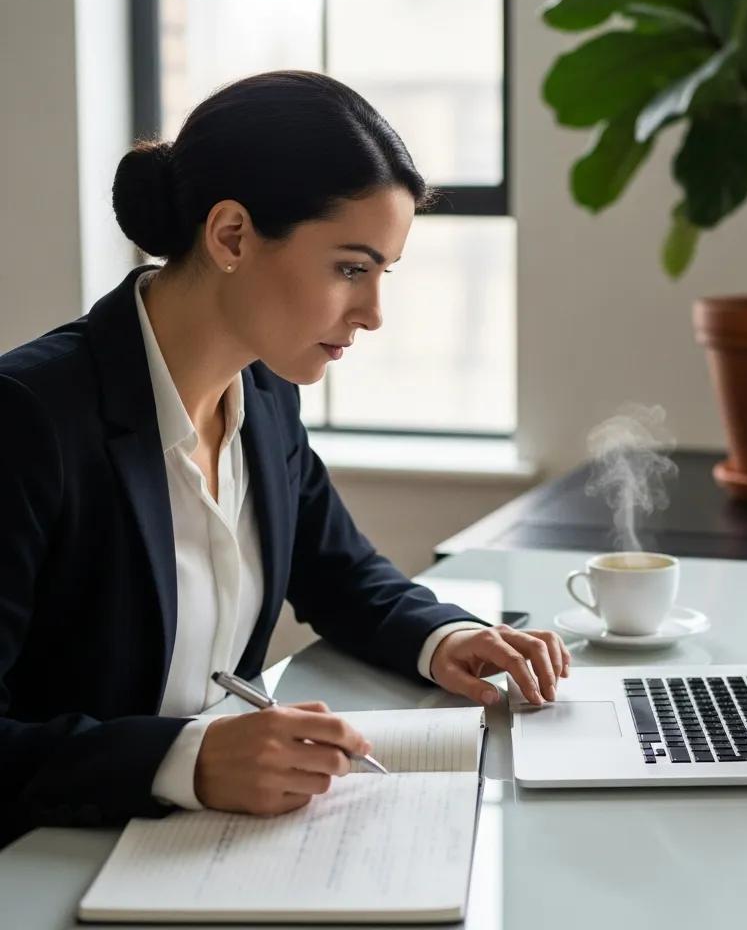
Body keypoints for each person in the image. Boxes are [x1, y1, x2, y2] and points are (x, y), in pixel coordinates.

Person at [0, 70, 570, 847]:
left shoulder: (263, 393)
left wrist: (447, 639)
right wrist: (184, 760)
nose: (372, 314)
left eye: (382, 274)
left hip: (192, 845)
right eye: (349, 268)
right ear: (231, 235)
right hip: (47, 857)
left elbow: (340, 573)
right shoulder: (28, 418)